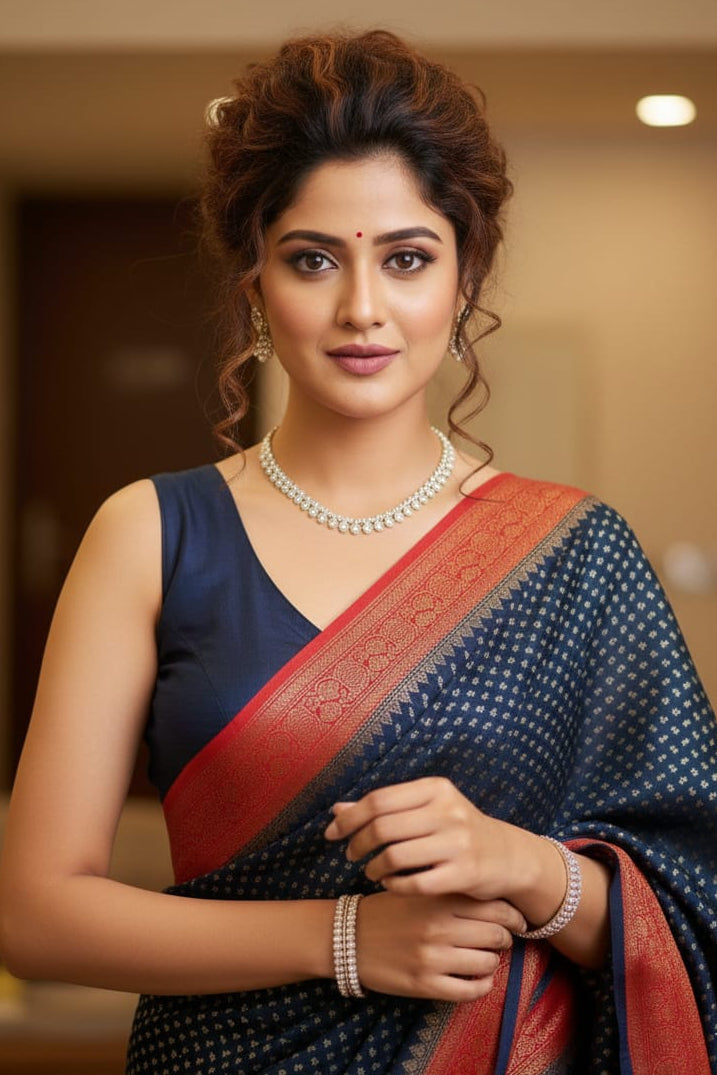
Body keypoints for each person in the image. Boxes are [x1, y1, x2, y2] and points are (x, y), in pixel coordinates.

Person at [0, 28, 715, 1075]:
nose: (362, 308)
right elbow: (35, 914)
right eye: (312, 259)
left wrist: (529, 870)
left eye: (408, 257)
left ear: (463, 281)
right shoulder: (151, 532)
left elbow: (696, 912)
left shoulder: (576, 554)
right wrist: (345, 939)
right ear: (254, 285)